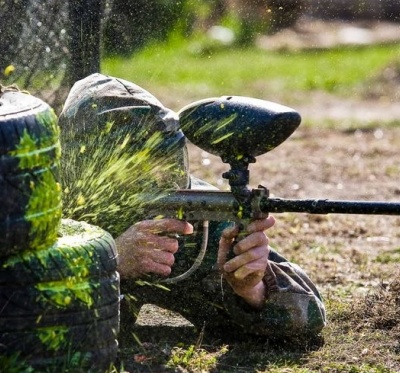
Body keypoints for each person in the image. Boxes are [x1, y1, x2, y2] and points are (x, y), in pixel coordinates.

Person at [58, 73, 326, 343]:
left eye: (167, 168)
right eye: (134, 173)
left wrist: (251, 290)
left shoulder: (192, 221)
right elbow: (20, 311)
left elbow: (308, 314)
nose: (157, 187)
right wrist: (109, 261)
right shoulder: (44, 208)